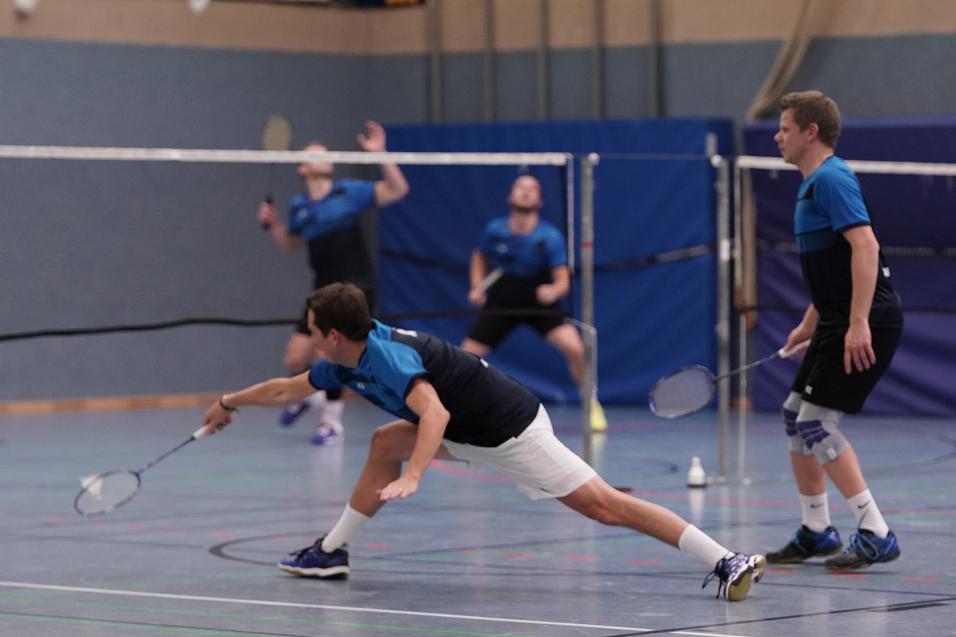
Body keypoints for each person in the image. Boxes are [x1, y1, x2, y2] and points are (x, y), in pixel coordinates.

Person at [201, 282, 765, 601]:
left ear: (332, 335)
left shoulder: (389, 358)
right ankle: (332, 551)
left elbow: (434, 412)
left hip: (509, 429)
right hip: (470, 428)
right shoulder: (345, 361)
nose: (307, 336)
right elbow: (284, 388)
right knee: (381, 442)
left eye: (311, 328)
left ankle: (725, 559)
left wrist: (416, 475)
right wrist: (230, 402)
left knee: (604, 506)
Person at [767, 90, 903, 570]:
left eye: (785, 128)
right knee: (793, 415)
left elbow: (865, 246)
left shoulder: (831, 178)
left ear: (811, 132)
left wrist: (858, 322)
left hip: (866, 321)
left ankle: (875, 531)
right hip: (836, 320)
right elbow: (835, 265)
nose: (777, 136)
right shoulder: (812, 184)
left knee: (815, 422)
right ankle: (817, 530)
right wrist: (811, 320)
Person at [257, 121, 409, 445]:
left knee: (333, 353)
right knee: (295, 358)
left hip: (355, 287)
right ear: (302, 167)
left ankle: (331, 422)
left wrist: (380, 154)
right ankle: (311, 397)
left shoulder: (350, 192)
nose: (324, 158)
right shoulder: (300, 207)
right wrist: (274, 227)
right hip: (322, 288)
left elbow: (397, 190)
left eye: (327, 155)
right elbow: (292, 243)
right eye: (315, 155)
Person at [461, 174, 607, 431]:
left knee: (577, 349)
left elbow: (563, 282)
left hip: (538, 301)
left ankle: (591, 403)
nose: (526, 192)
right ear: (510, 196)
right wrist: (477, 286)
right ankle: (456, 409)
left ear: (539, 200)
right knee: (464, 358)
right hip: (502, 300)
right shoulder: (494, 231)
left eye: (532, 189)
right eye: (520, 187)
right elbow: (479, 256)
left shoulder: (549, 237)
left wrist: (553, 291)